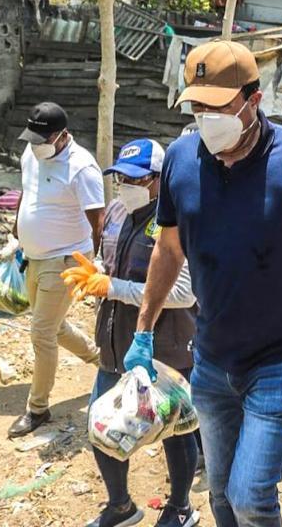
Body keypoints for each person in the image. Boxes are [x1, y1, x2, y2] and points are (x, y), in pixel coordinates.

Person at [132, 40, 282, 526]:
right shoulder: (183, 159)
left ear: (253, 99)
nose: (206, 118)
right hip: (213, 358)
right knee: (221, 495)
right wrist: (144, 331)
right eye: (197, 106)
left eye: (218, 106)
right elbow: (168, 249)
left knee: (249, 496)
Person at [63, 139, 201, 527]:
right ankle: (120, 505)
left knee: (175, 430)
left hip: (164, 344)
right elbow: (109, 261)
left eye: (136, 178)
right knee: (100, 421)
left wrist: (114, 288)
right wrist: (94, 274)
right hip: (115, 338)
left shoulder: (176, 218)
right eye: (121, 177)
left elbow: (183, 292)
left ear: (160, 180)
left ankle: (180, 507)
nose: (125, 184)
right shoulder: (121, 210)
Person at [8, 102, 103, 438]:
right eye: (32, 138)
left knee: (41, 332)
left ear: (62, 137)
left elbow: (97, 219)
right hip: (33, 256)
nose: (35, 145)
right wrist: (18, 232)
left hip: (64, 259)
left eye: (42, 139)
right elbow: (26, 191)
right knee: (54, 325)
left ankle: (38, 408)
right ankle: (102, 360)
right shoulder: (32, 153)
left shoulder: (81, 168)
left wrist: (95, 264)